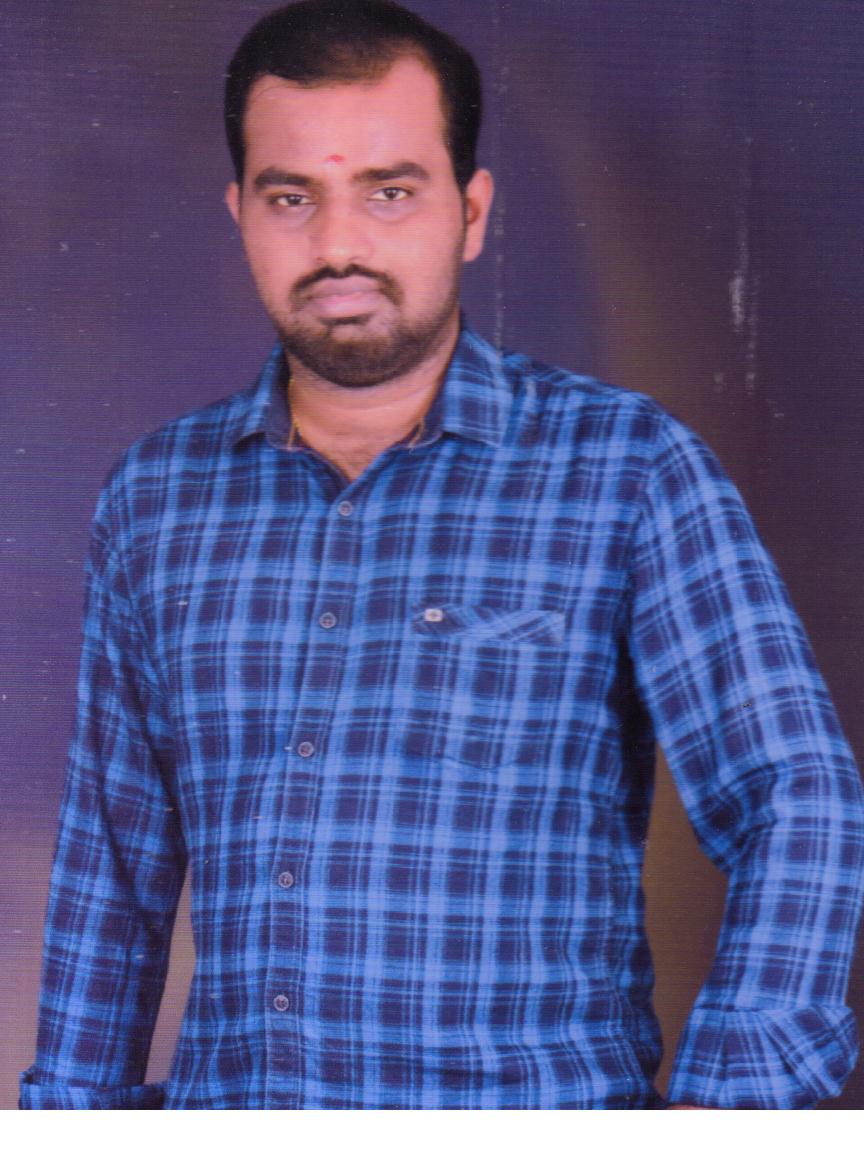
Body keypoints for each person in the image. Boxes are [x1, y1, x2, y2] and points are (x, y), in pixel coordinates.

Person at [20, 0, 864, 1110]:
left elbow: (796, 797)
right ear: (240, 213)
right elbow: (112, 874)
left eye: (390, 191)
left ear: (470, 213)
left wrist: (727, 1115)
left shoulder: (625, 469)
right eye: (291, 196)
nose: (338, 246)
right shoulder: (155, 498)